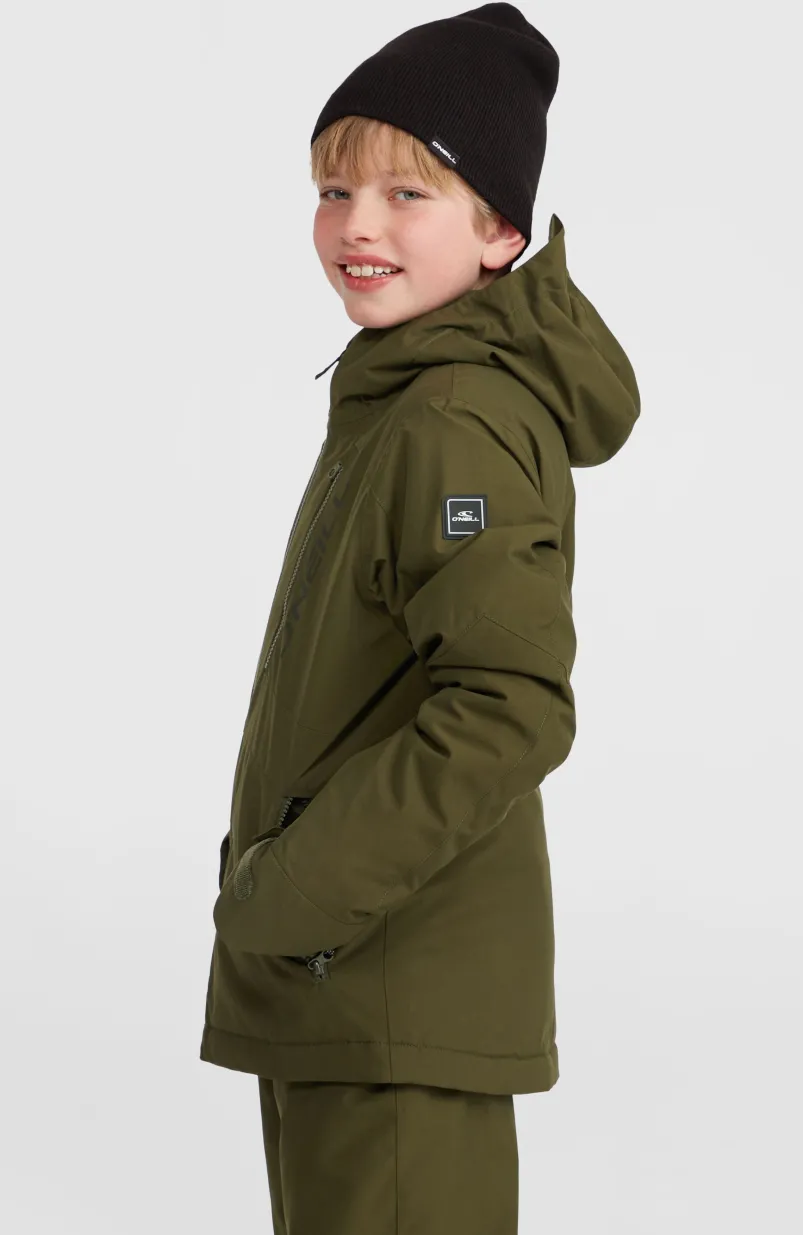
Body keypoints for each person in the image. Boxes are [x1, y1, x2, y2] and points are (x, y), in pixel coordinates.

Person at [200, 4, 641, 1232]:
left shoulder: (449, 418)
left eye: (406, 193)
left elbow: (509, 705)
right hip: (347, 988)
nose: (357, 225)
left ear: (499, 229)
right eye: (333, 190)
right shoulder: (395, 398)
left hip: (385, 986)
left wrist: (296, 892)